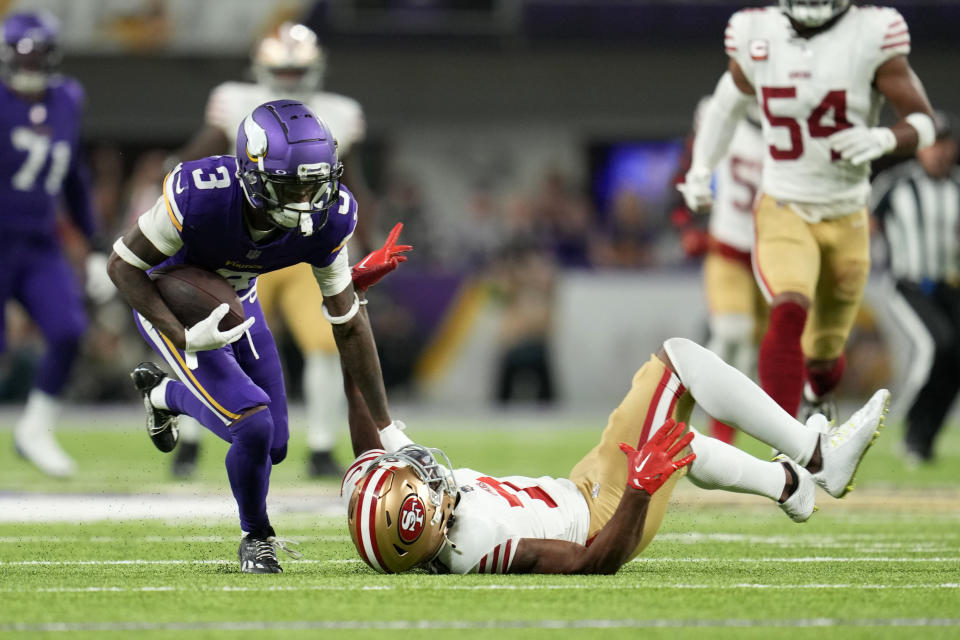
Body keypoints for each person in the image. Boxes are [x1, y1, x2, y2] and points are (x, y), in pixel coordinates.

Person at [107, 100, 406, 574]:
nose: (307, 199)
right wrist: (181, 334)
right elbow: (122, 265)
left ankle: (166, 396)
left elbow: (347, 323)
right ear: (252, 175)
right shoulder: (199, 194)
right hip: (172, 297)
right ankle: (257, 538)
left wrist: (387, 426)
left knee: (275, 445)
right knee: (252, 425)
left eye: (316, 183)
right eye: (292, 186)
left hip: (240, 303)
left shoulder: (330, 217)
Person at [342, 336, 888, 574]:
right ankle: (818, 455)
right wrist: (638, 491)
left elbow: (372, 421)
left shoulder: (422, 524)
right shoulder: (476, 541)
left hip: (580, 489)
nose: (424, 473)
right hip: (604, 517)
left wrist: (349, 307)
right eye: (419, 483)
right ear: (426, 515)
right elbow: (591, 562)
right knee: (679, 360)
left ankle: (790, 486)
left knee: (682, 443)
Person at [678, 0, 936, 424]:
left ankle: (817, 395)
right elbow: (726, 106)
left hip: (847, 211)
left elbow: (925, 122)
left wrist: (885, 139)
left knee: (824, 354)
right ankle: (787, 446)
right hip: (784, 204)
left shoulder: (873, 31)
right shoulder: (756, 32)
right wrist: (701, 168)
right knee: (789, 307)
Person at [169, 22, 370, 478]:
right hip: (238, 246)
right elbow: (199, 163)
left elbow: (351, 189)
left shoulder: (339, 113)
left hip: (300, 249)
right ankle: (192, 443)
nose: (288, 80)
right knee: (217, 343)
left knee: (323, 343)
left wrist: (365, 248)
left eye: (297, 70)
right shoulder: (233, 102)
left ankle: (320, 447)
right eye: (281, 70)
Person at [1, 12, 106, 477]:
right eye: (24, 54)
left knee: (67, 330)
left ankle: (35, 430)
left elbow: (75, 178)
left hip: (39, 242)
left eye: (40, 53)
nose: (32, 63)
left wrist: (97, 241)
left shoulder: (67, 98)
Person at [673, 99, 766, 444]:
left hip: (773, 253)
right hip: (728, 246)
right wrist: (688, 223)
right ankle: (683, 411)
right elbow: (688, 169)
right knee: (732, 331)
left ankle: (723, 432)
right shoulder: (723, 115)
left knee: (753, 349)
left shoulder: (792, 123)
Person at [871, 111, 960, 465]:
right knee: (935, 344)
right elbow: (865, 224)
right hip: (908, 284)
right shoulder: (895, 185)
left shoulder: (957, 187)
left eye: (944, 143)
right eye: (932, 144)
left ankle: (924, 439)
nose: (938, 151)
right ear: (920, 149)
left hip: (951, 287)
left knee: (956, 357)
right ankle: (904, 422)